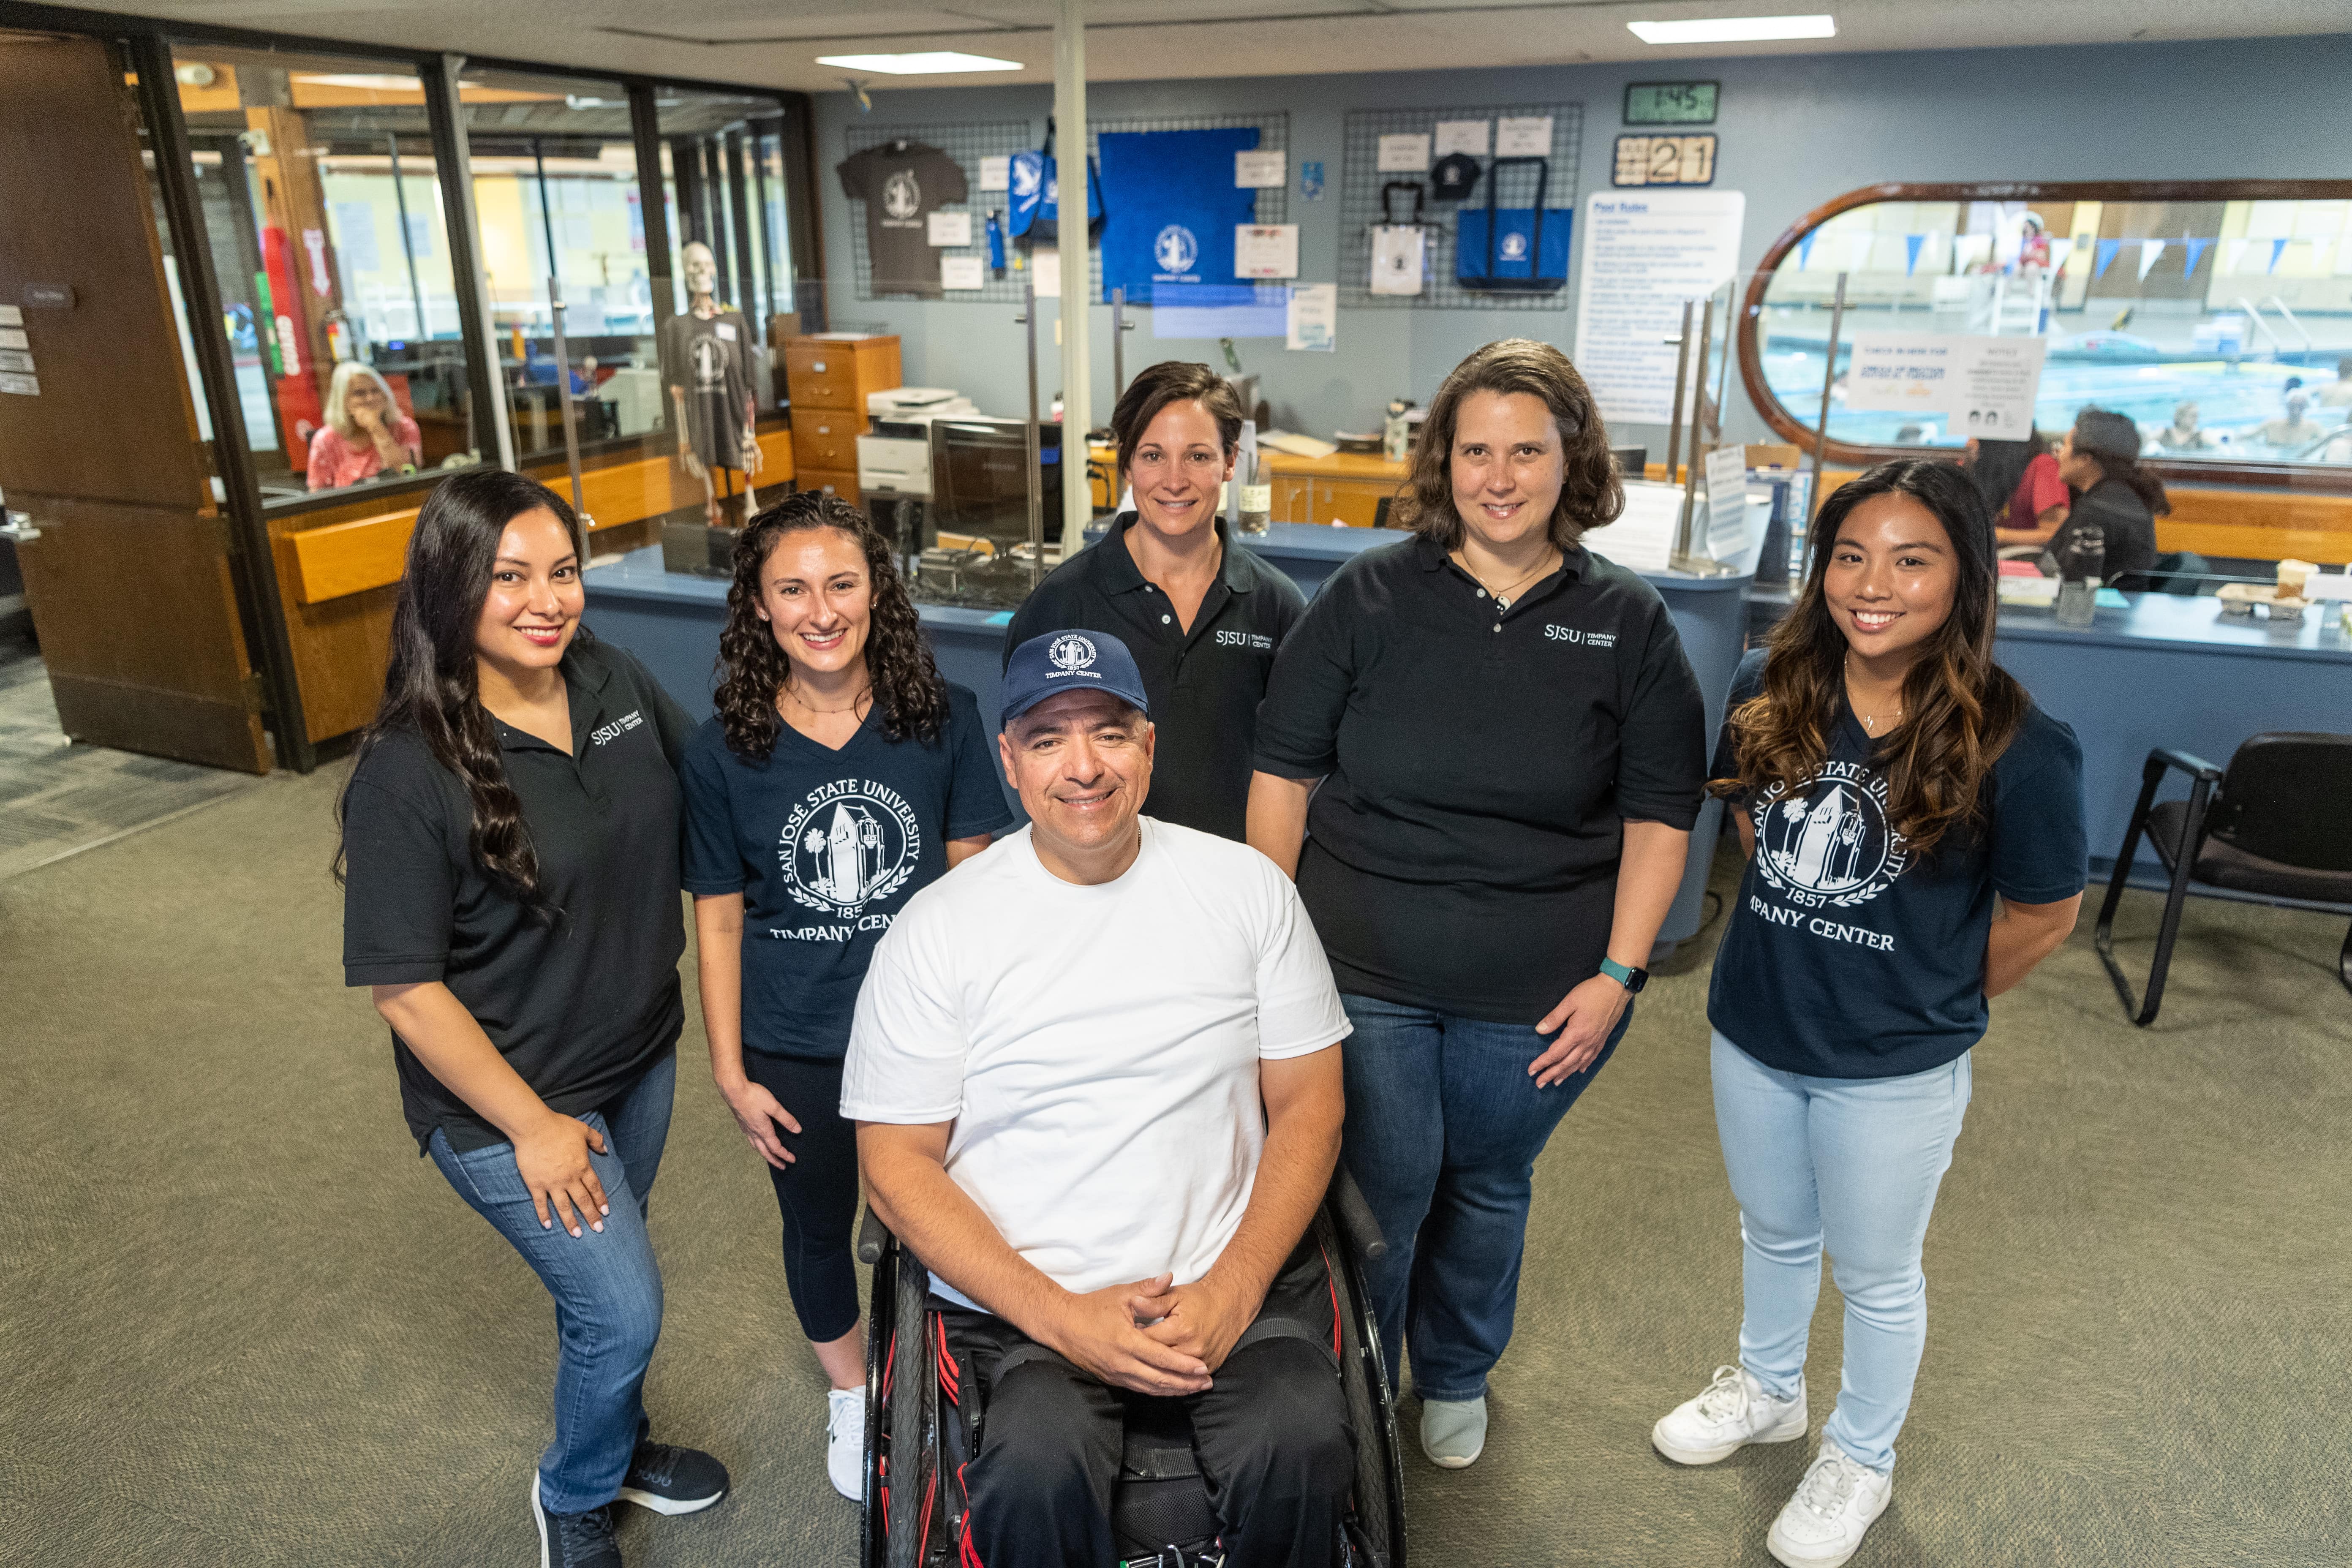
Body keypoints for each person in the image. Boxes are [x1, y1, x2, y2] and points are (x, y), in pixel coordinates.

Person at [1246, 337, 1707, 1469]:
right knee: (1387, 1191)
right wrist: (1274, 949)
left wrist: (1620, 977)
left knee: (1491, 1185)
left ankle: (1456, 1374)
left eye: (1527, 451)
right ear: (1442, 462)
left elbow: (1661, 817)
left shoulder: (1627, 621)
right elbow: (1283, 774)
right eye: (1475, 451)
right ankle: (1365, 1376)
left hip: (1545, 991)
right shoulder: (1369, 596)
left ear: (1573, 461)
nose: (1499, 477)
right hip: (1365, 971)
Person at [1650, 458, 2085, 1568]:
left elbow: (2042, 915)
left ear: (1963, 578)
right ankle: (1770, 1388)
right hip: (1755, 1028)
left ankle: (1861, 1457)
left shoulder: (2018, 742)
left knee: (1878, 1271)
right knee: (1774, 1229)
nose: (1873, 582)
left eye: (1911, 558)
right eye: (1851, 555)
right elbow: (1756, 835)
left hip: (1893, 1065)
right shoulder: (1768, 680)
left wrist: (1927, 991)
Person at [847, 630, 1356, 1568]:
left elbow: (1312, 1105)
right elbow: (894, 1164)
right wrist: (1064, 1315)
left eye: (1110, 733)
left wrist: (1232, 1290)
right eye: (1047, 738)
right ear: (1008, 758)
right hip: (1030, 1307)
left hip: (1227, 1280)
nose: (1084, 766)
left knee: (1302, 1436)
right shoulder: (938, 930)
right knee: (1035, 1461)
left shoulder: (1246, 889)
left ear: (1150, 745)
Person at [337, 470, 727, 1568]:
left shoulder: (602, 675)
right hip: (506, 1106)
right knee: (623, 1309)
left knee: (605, 1287)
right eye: (511, 578)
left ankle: (618, 1439)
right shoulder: (408, 772)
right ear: (452, 585)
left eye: (562, 571)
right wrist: (536, 1128)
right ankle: (574, 1492)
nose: (547, 601)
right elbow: (406, 991)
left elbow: (708, 775)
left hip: (635, 1053)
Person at [680, 493, 1011, 1500]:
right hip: (797, 1039)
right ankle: (854, 1392)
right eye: (792, 589)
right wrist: (731, 1070)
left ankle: (968, 1375)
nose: (819, 610)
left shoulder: (944, 719)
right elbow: (721, 918)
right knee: (818, 1224)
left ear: (878, 590)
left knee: (953, 1218)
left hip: (927, 1034)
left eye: (840, 583)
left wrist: (985, 1035)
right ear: (759, 607)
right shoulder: (721, 749)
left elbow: (976, 892)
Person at [1004, 360, 1307, 841]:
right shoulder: (1060, 606)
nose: (1174, 479)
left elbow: (1295, 774)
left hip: (1230, 890)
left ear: (1231, 461)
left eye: (1198, 457)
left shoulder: (1277, 608)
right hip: (1100, 888)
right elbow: (1030, 765)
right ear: (1126, 465)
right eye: (1152, 456)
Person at [2050, 407, 2165, 579]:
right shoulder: (2125, 496)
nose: (2058, 455)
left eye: (2065, 446)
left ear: (2085, 460)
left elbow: (2062, 576)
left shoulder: (2097, 510)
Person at [308, 360, 422, 491]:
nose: (370, 398)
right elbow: (317, 494)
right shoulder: (325, 439)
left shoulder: (405, 427)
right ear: (343, 402)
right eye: (360, 393)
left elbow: (407, 477)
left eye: (375, 391)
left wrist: (376, 427)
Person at [1965, 433, 2069, 548]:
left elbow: (2055, 534)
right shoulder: (1991, 476)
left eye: (1976, 437)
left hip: (2022, 559)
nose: (1969, 443)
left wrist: (1996, 535)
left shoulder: (2043, 466)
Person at [2254, 389, 2325, 451]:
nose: (2296, 411)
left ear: (2306, 407)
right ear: (2287, 406)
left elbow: (2327, 442)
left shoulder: (2313, 427)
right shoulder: (2270, 425)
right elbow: (2246, 438)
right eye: (2293, 406)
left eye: (2300, 407)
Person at [2150, 400, 2215, 452]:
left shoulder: (2200, 436)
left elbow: (2220, 448)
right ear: (2180, 417)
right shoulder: (2164, 433)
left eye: (2197, 416)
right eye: (2193, 416)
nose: (2196, 419)